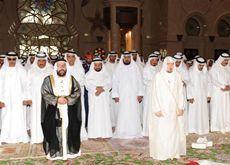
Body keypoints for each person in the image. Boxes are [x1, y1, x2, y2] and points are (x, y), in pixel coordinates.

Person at [41, 57, 81, 161]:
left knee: (70, 131)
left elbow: (77, 92)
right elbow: (44, 92)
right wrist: (57, 99)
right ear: (56, 67)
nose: (61, 68)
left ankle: (69, 155)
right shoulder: (48, 79)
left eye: (63, 66)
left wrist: (67, 99)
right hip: (54, 110)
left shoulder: (72, 79)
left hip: (69, 109)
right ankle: (53, 155)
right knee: (53, 131)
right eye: (59, 66)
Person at [149, 56, 186, 160]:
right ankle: (162, 153)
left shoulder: (178, 76)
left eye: (172, 64)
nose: (170, 66)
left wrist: (181, 107)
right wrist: (156, 108)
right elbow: (154, 93)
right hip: (162, 108)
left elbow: (180, 93)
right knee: (162, 131)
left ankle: (173, 153)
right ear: (165, 64)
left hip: (173, 109)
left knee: (173, 130)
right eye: (168, 64)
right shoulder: (158, 76)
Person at [112, 51, 144, 139]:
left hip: (133, 95)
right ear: (123, 58)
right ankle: (122, 131)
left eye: (128, 57)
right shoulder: (118, 69)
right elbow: (115, 82)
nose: (127, 59)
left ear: (130, 58)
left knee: (133, 112)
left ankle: (134, 131)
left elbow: (139, 81)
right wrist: (115, 95)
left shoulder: (135, 68)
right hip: (122, 95)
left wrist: (140, 93)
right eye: (125, 57)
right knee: (123, 112)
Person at [0, 52, 29, 144]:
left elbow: (26, 86)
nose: (12, 61)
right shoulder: (2, 71)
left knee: (19, 116)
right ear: (7, 59)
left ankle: (20, 137)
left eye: (13, 59)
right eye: (9, 59)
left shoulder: (22, 71)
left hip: (18, 99)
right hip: (6, 99)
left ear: (16, 59)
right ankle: (6, 137)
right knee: (6, 117)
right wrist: (0, 100)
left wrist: (26, 98)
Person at [26, 53, 53, 144]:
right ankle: (37, 137)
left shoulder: (51, 70)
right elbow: (28, 86)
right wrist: (28, 97)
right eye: (39, 61)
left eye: (43, 61)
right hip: (35, 98)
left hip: (48, 98)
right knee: (36, 117)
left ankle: (48, 137)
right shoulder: (31, 70)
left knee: (48, 117)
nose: (41, 63)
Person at [85, 57, 112, 139]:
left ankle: (106, 133)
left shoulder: (106, 74)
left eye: (99, 65)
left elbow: (110, 83)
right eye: (95, 65)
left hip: (104, 97)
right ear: (93, 66)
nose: (97, 67)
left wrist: (102, 88)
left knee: (104, 114)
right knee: (94, 114)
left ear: (101, 65)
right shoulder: (88, 75)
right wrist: (95, 89)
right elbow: (87, 84)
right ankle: (93, 134)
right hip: (94, 97)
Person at [64, 50, 87, 141]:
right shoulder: (63, 68)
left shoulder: (80, 68)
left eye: (72, 57)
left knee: (78, 113)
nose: (70, 59)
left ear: (75, 58)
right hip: (66, 95)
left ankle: (79, 132)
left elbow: (82, 81)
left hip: (77, 95)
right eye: (68, 57)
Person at [187, 57, 211, 135]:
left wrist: (208, 94)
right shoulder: (191, 71)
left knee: (203, 112)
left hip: (203, 96)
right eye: (199, 65)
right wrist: (190, 96)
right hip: (194, 96)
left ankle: (202, 128)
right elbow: (189, 84)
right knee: (194, 112)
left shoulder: (205, 72)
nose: (201, 67)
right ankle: (193, 129)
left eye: (202, 65)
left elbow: (208, 84)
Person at [209, 53, 230, 133]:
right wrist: (223, 86)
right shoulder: (215, 68)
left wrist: (228, 87)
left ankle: (226, 125)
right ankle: (216, 127)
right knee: (217, 109)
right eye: (225, 60)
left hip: (226, 93)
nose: (226, 61)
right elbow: (213, 80)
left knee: (226, 108)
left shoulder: (228, 68)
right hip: (218, 92)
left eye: (227, 60)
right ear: (221, 59)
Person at [142, 53, 159, 137]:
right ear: (150, 61)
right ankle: (147, 130)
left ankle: (156, 130)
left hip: (158, 93)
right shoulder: (146, 69)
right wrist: (154, 83)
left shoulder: (158, 69)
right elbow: (145, 81)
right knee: (149, 111)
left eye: (156, 60)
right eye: (153, 60)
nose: (154, 62)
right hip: (149, 93)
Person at [105, 51, 119, 128]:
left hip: (117, 90)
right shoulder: (105, 66)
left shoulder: (118, 65)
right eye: (111, 56)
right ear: (109, 57)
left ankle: (117, 122)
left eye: (114, 56)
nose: (113, 58)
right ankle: (110, 122)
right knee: (110, 106)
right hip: (109, 90)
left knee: (117, 106)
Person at [82, 52, 94, 128]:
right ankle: (86, 123)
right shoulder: (82, 66)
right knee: (86, 107)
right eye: (88, 58)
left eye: (90, 58)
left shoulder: (95, 66)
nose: (89, 59)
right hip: (86, 91)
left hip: (94, 90)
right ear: (85, 58)